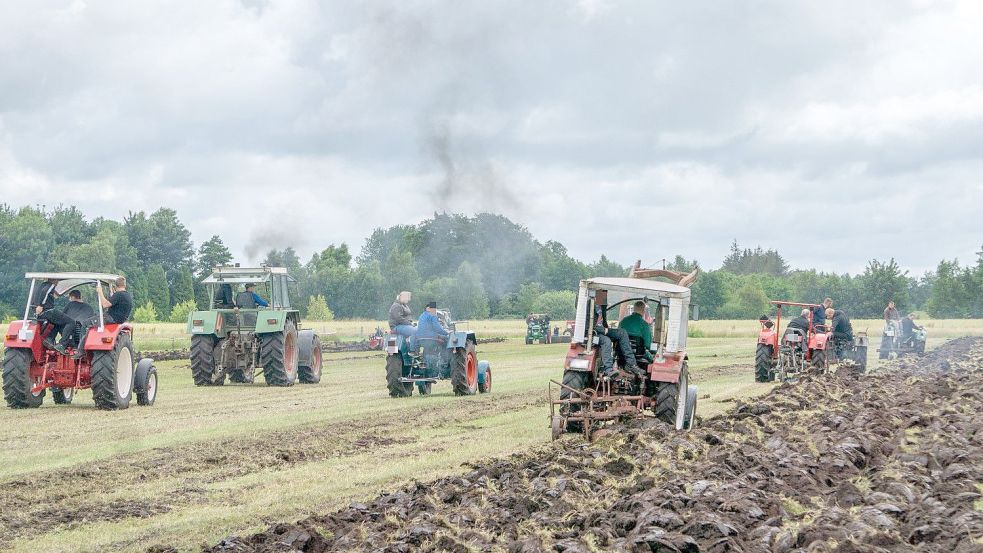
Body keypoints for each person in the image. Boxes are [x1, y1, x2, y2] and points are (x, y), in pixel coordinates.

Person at [594, 303, 643, 379]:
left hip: (601, 330)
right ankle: (608, 370)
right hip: (594, 332)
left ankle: (631, 364)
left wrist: (606, 328)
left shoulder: (601, 306)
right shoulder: (590, 304)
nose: (605, 299)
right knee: (606, 340)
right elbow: (589, 323)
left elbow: (602, 322)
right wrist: (603, 330)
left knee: (622, 332)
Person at [53, 290, 96, 356]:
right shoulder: (89, 307)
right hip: (83, 336)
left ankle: (58, 342)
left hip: (70, 333)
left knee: (56, 322)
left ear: (72, 297)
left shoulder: (70, 305)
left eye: (69, 298)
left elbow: (62, 316)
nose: (69, 300)